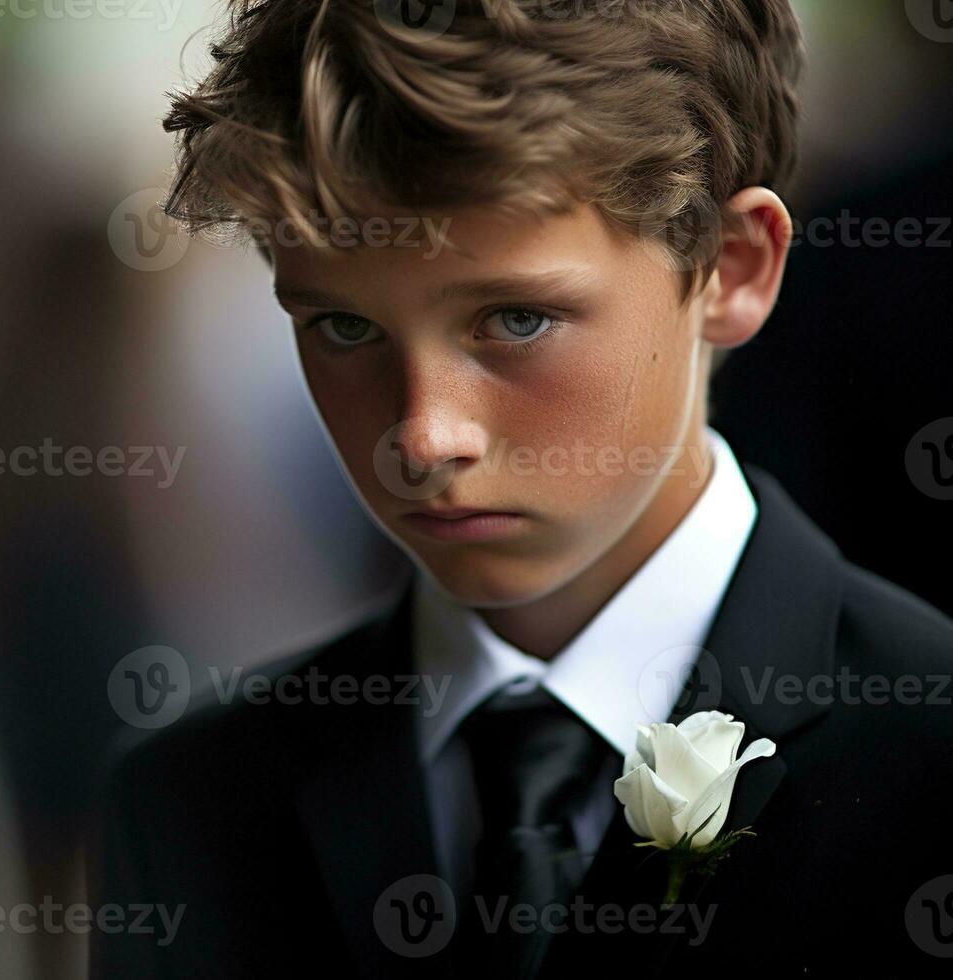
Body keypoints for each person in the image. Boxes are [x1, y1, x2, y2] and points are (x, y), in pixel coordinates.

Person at [88, 2, 953, 977]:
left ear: (731, 267)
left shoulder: (930, 760)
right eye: (342, 327)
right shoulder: (189, 804)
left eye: (516, 318)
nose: (422, 434)